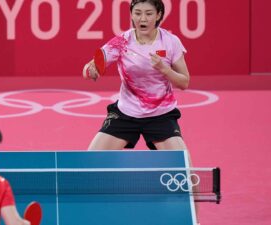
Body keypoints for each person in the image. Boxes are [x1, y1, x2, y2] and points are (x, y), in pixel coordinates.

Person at [83, 0, 200, 224]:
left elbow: (185, 82)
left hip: (161, 115)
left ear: (158, 16)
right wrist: (90, 70)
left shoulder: (170, 41)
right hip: (126, 114)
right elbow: (92, 65)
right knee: (89, 163)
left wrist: (165, 69)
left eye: (148, 13)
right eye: (137, 13)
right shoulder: (122, 42)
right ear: (131, 15)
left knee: (187, 171)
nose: (142, 19)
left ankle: (195, 221)